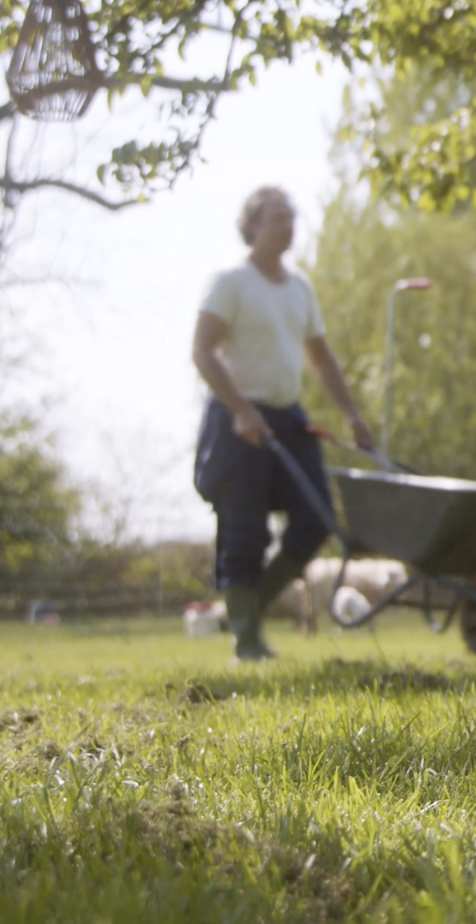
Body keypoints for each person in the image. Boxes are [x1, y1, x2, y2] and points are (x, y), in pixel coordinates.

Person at [190, 186, 374, 660]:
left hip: (288, 418)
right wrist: (240, 409)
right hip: (239, 418)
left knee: (316, 520)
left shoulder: (300, 289)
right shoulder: (230, 282)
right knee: (244, 530)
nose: (287, 226)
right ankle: (246, 642)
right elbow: (203, 351)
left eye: (291, 218)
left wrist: (353, 414)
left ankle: (246, 612)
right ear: (252, 226)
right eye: (276, 218)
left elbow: (321, 357)